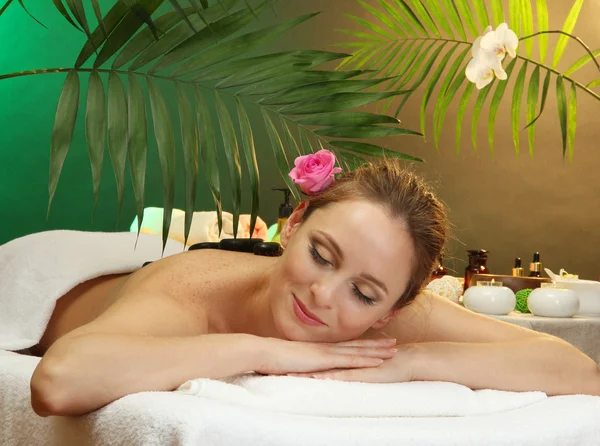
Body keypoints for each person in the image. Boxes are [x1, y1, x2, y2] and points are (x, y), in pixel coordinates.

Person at [29, 152, 600, 418]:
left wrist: (409, 364)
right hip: (61, 271)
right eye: (321, 256)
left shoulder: (390, 311)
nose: (326, 295)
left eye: (365, 293)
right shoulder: (192, 289)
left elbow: (578, 372)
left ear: (394, 307)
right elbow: (59, 382)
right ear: (294, 223)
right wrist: (263, 352)